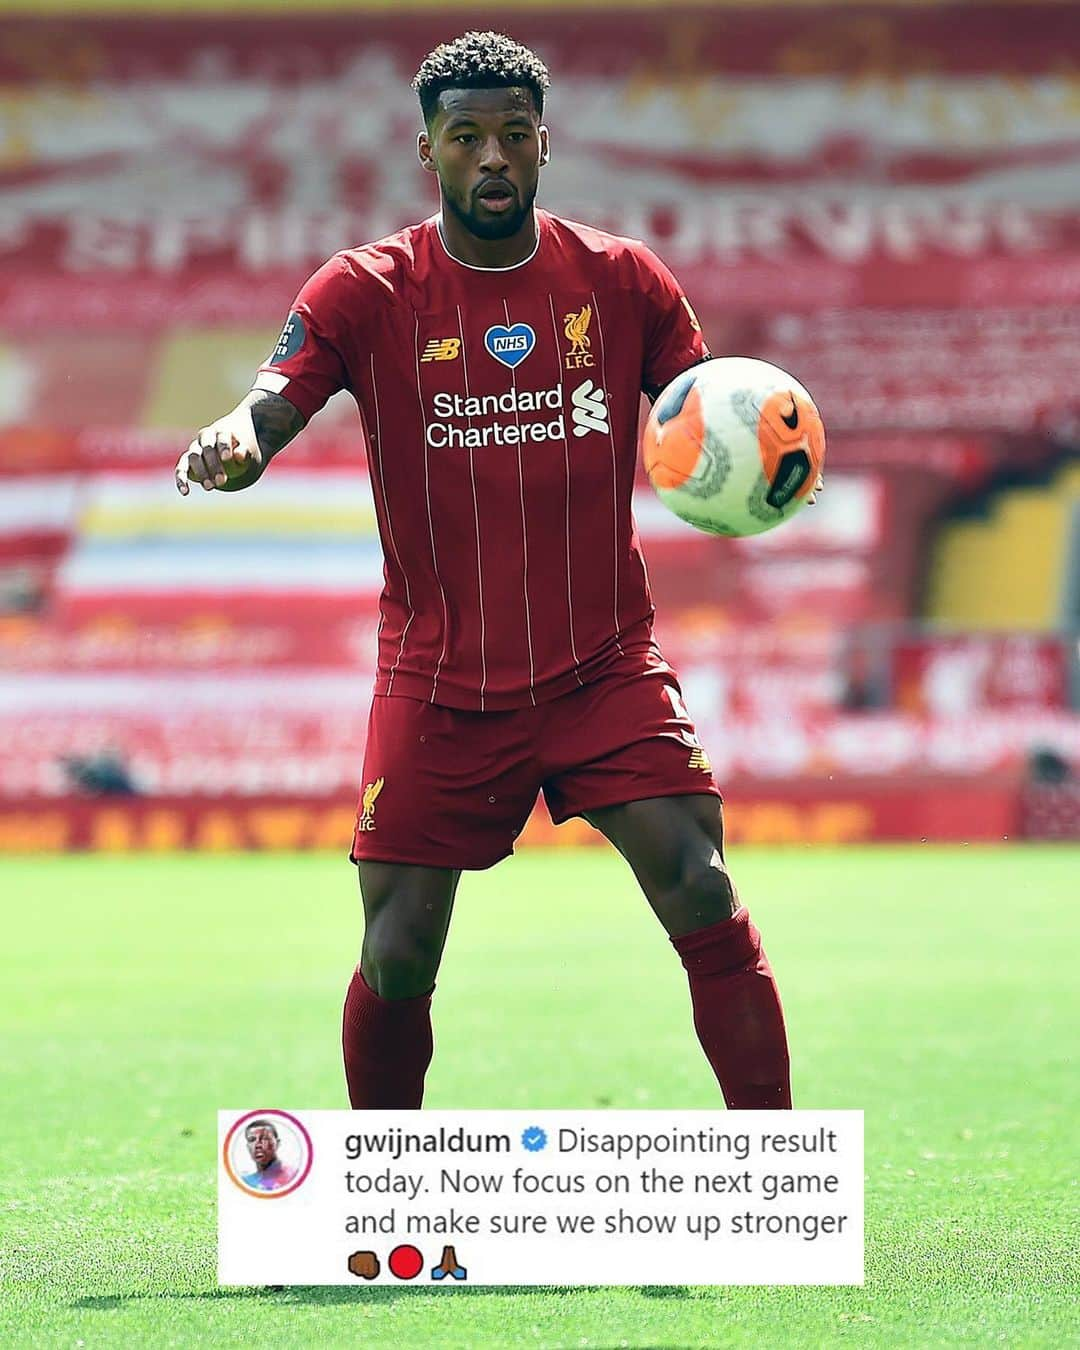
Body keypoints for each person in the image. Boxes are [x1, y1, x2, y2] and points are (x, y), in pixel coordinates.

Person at [176, 32, 802, 1111]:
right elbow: (271, 401)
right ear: (430, 151)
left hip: (604, 662)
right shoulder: (365, 291)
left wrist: (769, 464)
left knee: (701, 888)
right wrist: (236, 442)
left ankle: (778, 1177)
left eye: (514, 135)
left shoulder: (624, 281)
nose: (493, 158)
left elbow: (714, 414)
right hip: (439, 680)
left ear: (545, 142)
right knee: (397, 956)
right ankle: (384, 1194)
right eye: (467, 138)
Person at [240, 1119, 297, 1191]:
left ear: (277, 1143)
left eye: (264, 1138)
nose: (257, 1145)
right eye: (252, 1140)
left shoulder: (293, 1176)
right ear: (248, 1146)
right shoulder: (246, 1181)